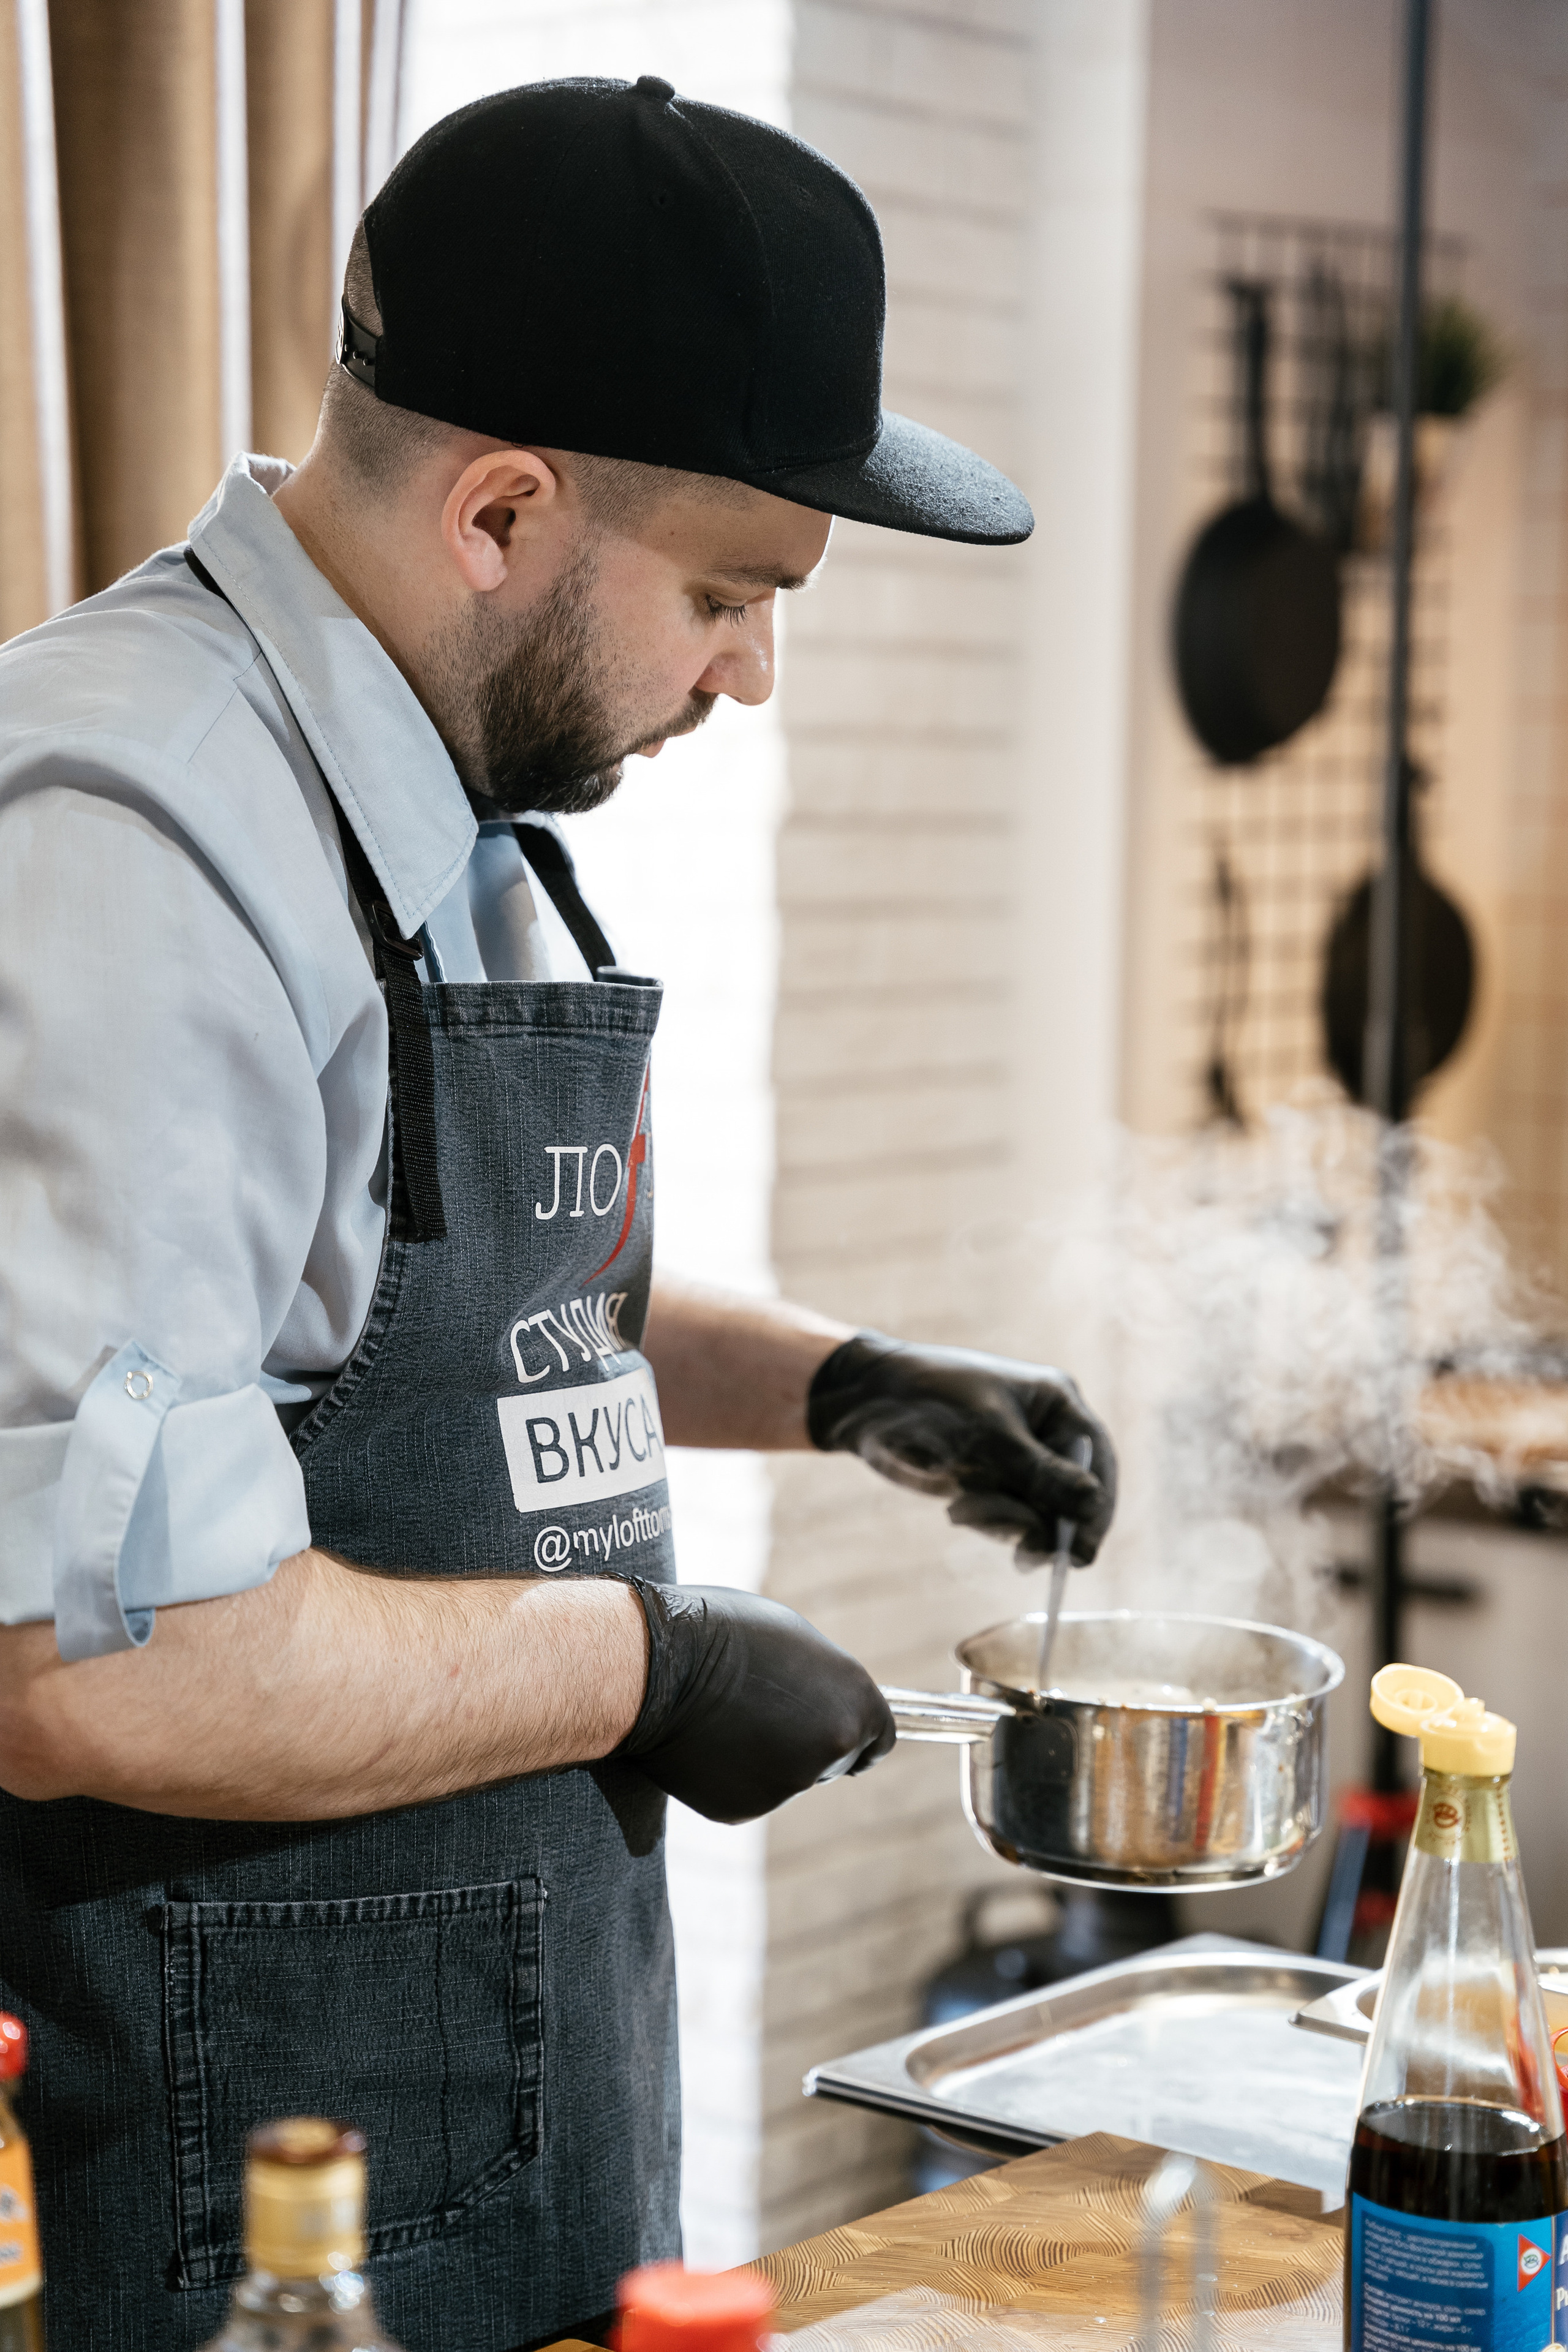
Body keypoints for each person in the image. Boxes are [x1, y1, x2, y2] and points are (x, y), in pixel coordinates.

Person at [0, 75, 1115, 2352]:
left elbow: (455, 1299)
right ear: (503, 508)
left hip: (506, 2093)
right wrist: (655, 1662)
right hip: (245, 2193)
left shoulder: (442, 789)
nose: (752, 668)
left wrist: (844, 1388)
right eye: (729, 590)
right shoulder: (132, 848)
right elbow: (103, 1663)